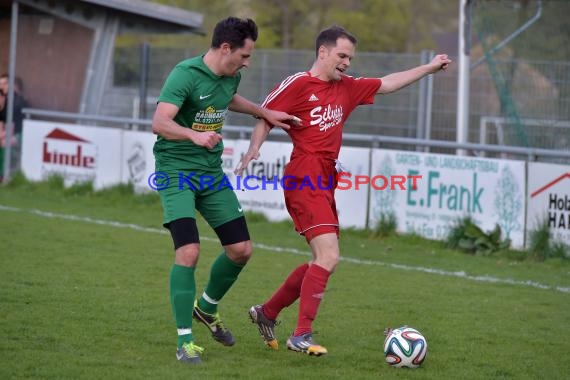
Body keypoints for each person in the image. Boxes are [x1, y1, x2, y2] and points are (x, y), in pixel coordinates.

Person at [235, 25, 451, 356]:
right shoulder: (298, 84)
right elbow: (265, 117)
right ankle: (301, 334)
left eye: (350, 57)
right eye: (342, 55)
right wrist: (254, 149)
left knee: (322, 261)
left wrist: (428, 67)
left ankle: (267, 312)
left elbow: (388, 83)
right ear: (323, 52)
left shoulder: (347, 88)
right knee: (330, 256)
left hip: (325, 180)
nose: (347, 63)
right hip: (304, 177)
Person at [151, 16, 299, 365]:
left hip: (210, 174)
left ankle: (206, 308)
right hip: (176, 173)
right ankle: (184, 341)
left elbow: (229, 98)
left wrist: (264, 112)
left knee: (241, 250)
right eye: (244, 56)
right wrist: (194, 135)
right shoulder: (185, 74)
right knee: (188, 252)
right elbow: (160, 121)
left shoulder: (231, 75)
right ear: (225, 48)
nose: (247, 63)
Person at [0, 74, 28, 180]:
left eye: (5, 84)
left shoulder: (17, 102)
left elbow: (10, 131)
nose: (2, 86)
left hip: (21, 134)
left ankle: (3, 175)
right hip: (8, 132)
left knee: (3, 143)